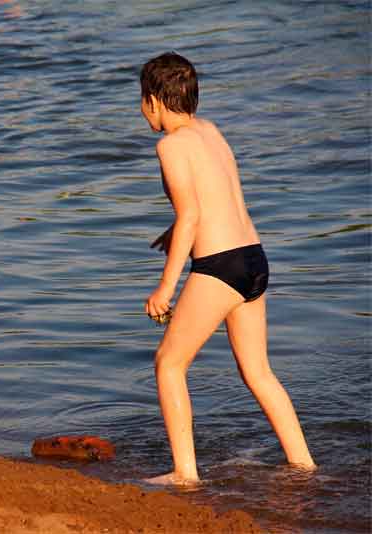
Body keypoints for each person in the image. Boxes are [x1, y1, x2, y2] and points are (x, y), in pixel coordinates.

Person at [138, 52, 316, 485]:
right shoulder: (211, 132)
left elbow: (193, 215)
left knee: (169, 364)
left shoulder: (170, 145)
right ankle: (304, 464)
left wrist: (165, 288)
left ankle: (185, 473)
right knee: (258, 371)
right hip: (254, 258)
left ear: (155, 101)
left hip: (220, 266)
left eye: (141, 100)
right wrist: (175, 229)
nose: (142, 110)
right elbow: (215, 199)